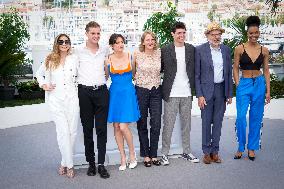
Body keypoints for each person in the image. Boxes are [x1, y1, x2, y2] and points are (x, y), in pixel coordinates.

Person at [36, 34, 79, 178]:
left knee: (72, 132)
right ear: (57, 43)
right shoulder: (50, 59)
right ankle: (70, 166)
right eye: (61, 41)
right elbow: (39, 74)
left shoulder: (74, 58)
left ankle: (63, 162)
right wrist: (44, 85)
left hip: (72, 99)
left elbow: (80, 75)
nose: (64, 44)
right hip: (56, 100)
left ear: (70, 44)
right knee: (63, 132)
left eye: (66, 41)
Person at [160, 22, 199, 165]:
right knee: (168, 125)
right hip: (171, 93)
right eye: (179, 33)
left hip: (187, 93)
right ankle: (164, 153)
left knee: (186, 125)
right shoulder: (165, 50)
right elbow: (159, 69)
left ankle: (187, 151)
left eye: (184, 32)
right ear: (173, 34)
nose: (182, 35)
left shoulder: (191, 49)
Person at [195, 22, 233, 164]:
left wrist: (229, 93)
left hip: (221, 90)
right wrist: (199, 95)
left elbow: (228, 73)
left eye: (218, 34)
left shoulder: (226, 50)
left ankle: (215, 151)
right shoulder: (200, 50)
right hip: (206, 92)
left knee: (218, 122)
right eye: (213, 34)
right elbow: (197, 75)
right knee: (206, 122)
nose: (216, 37)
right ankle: (206, 152)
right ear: (207, 36)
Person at [233, 16, 270, 161]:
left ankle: (252, 148)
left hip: (259, 84)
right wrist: (238, 84)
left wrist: (268, 91)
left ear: (259, 32)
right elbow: (235, 68)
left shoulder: (265, 50)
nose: (254, 36)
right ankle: (240, 147)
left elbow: (266, 70)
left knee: (256, 118)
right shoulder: (239, 49)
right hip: (244, 84)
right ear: (247, 33)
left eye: (256, 33)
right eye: (251, 33)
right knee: (241, 117)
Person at [75, 21, 110, 178]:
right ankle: (91, 163)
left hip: (102, 92)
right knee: (87, 129)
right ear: (87, 34)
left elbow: (107, 70)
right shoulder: (77, 51)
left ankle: (101, 164)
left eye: (98, 33)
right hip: (84, 93)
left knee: (102, 129)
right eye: (93, 33)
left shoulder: (105, 49)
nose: (96, 36)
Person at [105, 33, 140, 171]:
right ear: (112, 45)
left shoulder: (130, 56)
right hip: (115, 94)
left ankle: (132, 155)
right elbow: (105, 76)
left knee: (123, 126)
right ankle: (123, 158)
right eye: (117, 42)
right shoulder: (107, 59)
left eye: (122, 42)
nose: (120, 44)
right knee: (116, 127)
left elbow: (134, 75)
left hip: (128, 93)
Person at [133, 31, 162, 167]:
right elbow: (132, 73)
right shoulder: (136, 54)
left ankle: (154, 154)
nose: (151, 42)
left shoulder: (159, 53)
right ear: (143, 42)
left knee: (156, 123)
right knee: (142, 123)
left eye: (153, 40)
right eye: (148, 40)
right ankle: (146, 155)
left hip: (156, 90)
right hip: (141, 90)